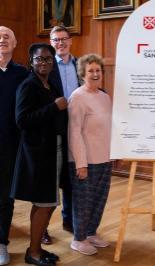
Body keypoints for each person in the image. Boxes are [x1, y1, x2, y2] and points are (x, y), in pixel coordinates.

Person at [11, 43, 68, 266]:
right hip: (38, 155)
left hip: (54, 150)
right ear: (31, 62)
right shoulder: (28, 85)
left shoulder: (50, 85)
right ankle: (33, 252)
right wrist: (54, 107)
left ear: (52, 62)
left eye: (47, 59)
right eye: (39, 59)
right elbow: (22, 120)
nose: (43, 63)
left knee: (49, 202)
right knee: (45, 203)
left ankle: (36, 248)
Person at [68, 54, 112, 256]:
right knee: (83, 202)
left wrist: (114, 153)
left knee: (99, 200)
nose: (95, 74)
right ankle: (78, 239)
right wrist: (80, 163)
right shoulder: (77, 97)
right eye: (91, 71)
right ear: (82, 74)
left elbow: (109, 128)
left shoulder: (105, 97)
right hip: (85, 160)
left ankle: (91, 233)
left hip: (105, 159)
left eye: (98, 70)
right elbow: (74, 132)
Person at [42, 25, 79, 245]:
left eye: (64, 39)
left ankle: (69, 221)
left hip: (76, 129)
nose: (60, 43)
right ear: (51, 42)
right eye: (56, 40)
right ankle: (43, 228)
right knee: (49, 180)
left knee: (71, 178)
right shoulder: (44, 66)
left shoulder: (80, 64)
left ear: (70, 40)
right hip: (52, 130)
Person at [0, 26, 28, 266]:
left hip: (10, 146)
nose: (2, 40)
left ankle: (1, 243)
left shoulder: (22, 73)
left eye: (7, 36)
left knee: (5, 197)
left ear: (15, 43)